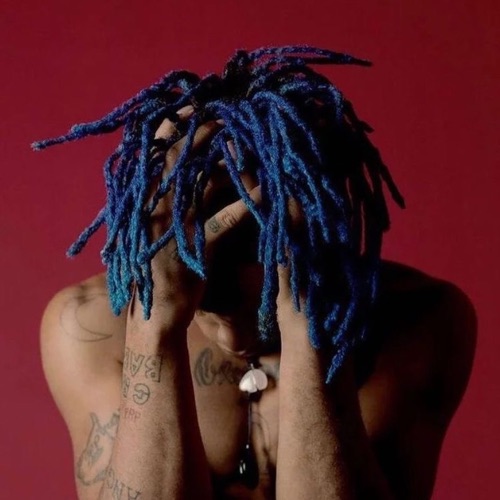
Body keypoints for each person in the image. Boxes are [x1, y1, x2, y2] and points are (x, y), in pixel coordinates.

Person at [38, 46, 477, 499]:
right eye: (209, 305)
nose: (231, 334)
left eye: (256, 303)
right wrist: (156, 322)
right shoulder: (91, 328)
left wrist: (306, 324)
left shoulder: (421, 322)